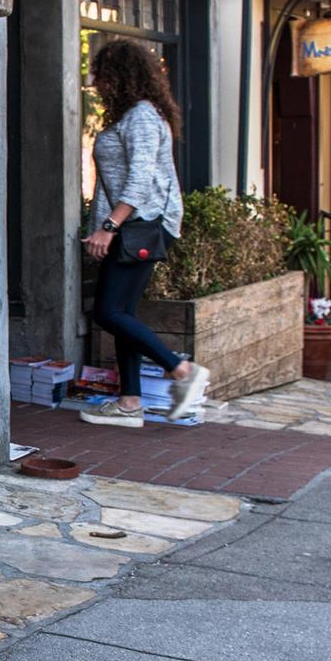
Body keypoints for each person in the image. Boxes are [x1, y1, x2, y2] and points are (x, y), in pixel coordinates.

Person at [79, 38, 211, 427]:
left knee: (108, 311)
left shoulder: (141, 116)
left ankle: (181, 370)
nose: (97, 83)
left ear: (120, 76)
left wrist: (108, 228)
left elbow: (139, 181)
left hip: (142, 224)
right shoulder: (136, 116)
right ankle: (130, 403)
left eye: (101, 75)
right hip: (134, 224)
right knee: (123, 313)